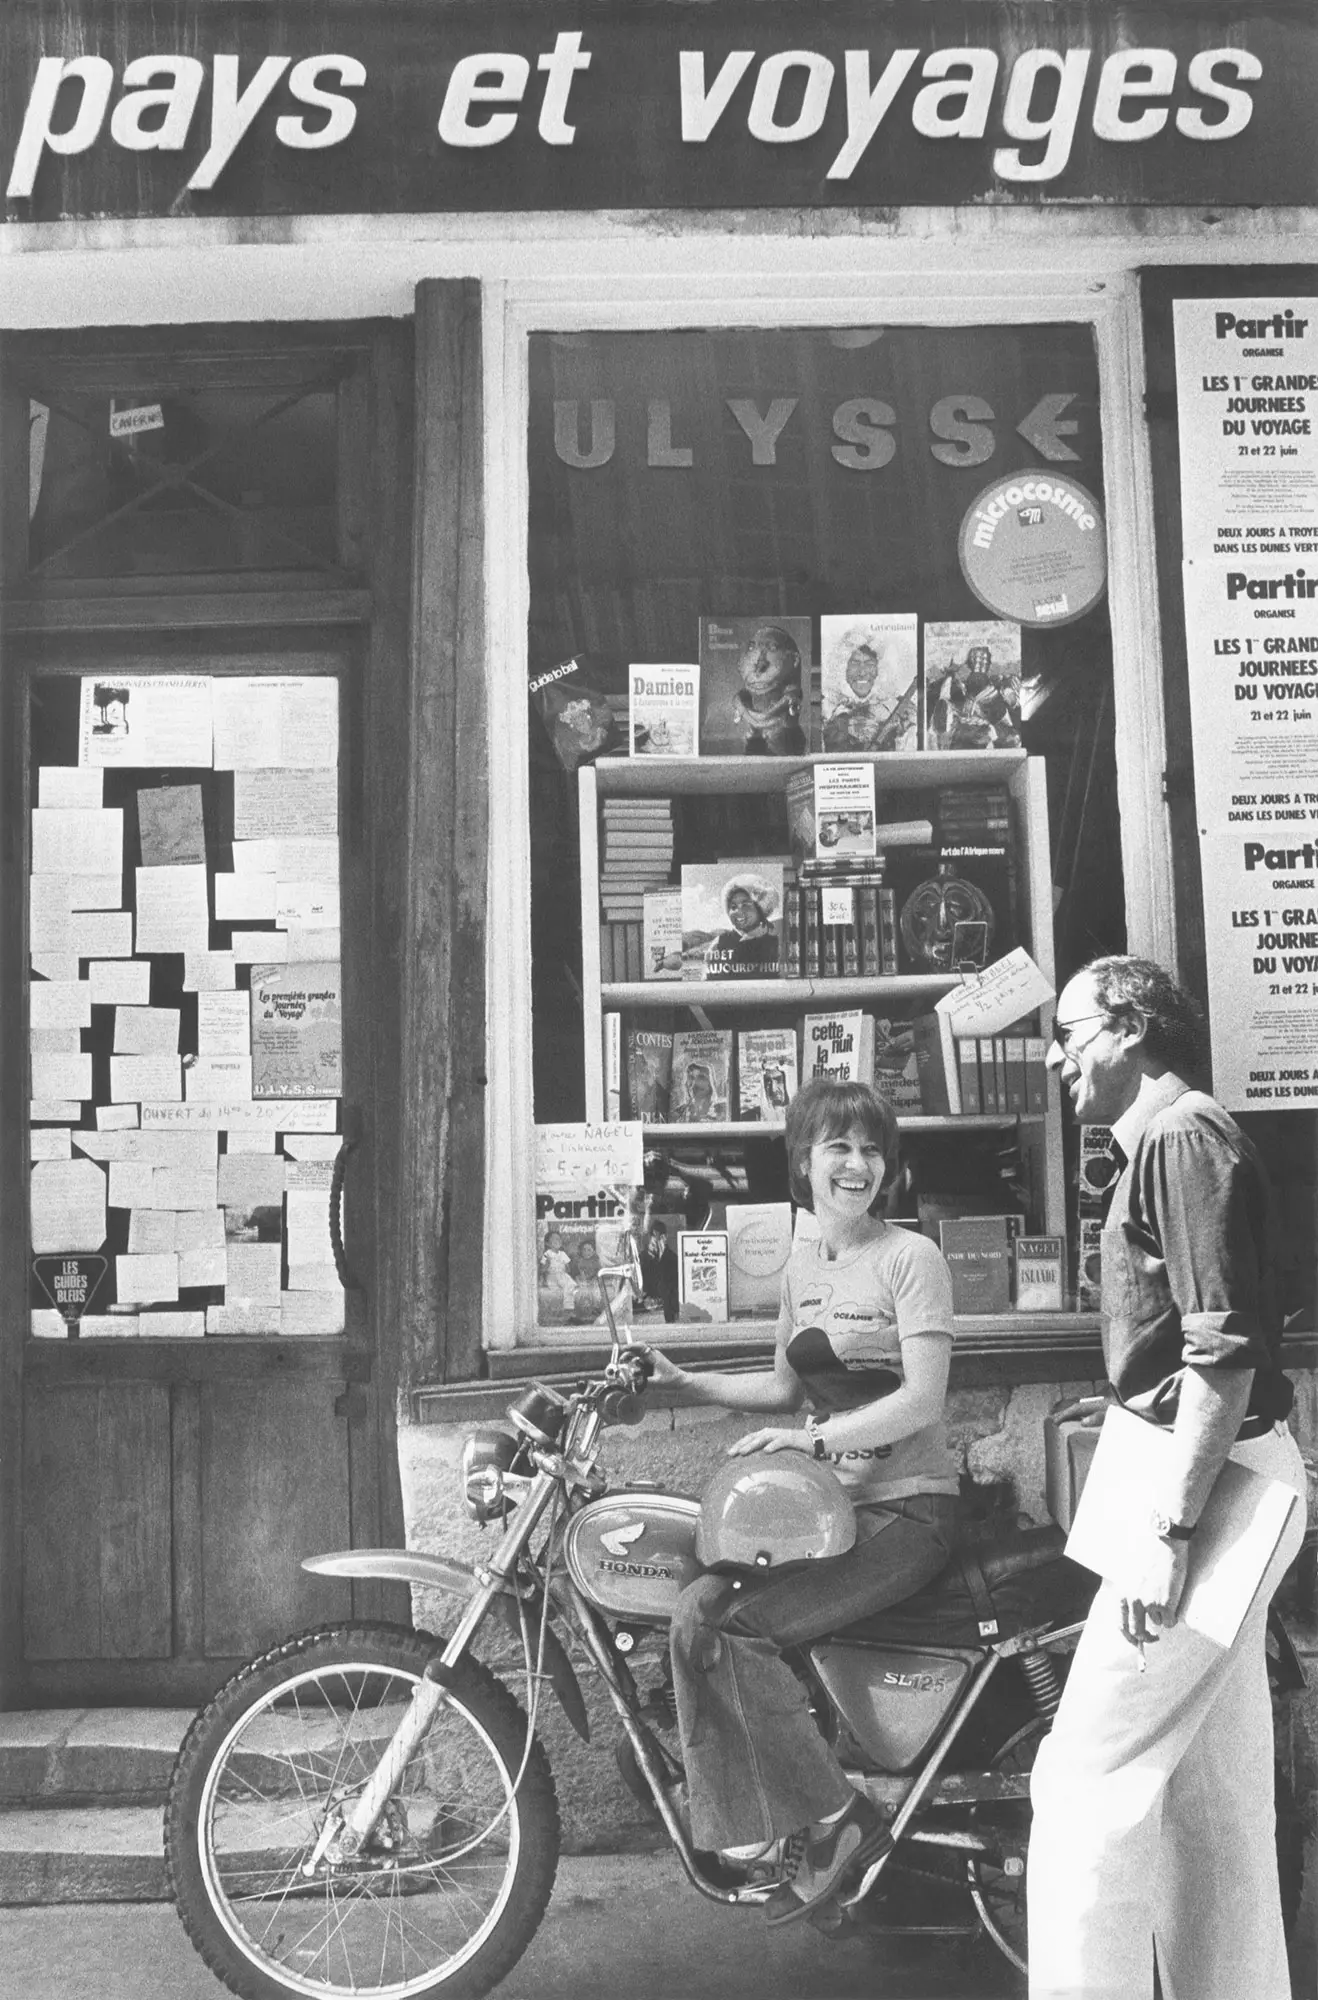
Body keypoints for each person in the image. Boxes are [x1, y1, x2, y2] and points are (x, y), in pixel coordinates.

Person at [1028, 955, 1306, 2000]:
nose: (1056, 1053)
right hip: (1224, 1474)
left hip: (1210, 1484)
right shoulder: (1165, 1141)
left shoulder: (1180, 1138)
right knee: (1211, 1796)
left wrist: (1168, 1529)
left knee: (1084, 1782)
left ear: (1132, 1027)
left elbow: (1220, 1355)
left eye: (1070, 1030)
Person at [646, 1078, 959, 1926]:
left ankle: (837, 1819)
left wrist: (815, 1443)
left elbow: (923, 1400)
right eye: (838, 1148)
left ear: (887, 1169)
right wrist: (686, 1380)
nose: (857, 1165)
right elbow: (786, 1388)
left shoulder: (911, 1259)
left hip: (908, 1511)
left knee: (740, 1628)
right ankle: (748, 1832)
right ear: (804, 1163)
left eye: (871, 1150)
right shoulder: (802, 1264)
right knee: (698, 1612)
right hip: (832, 1515)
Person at [730, 624, 806, 755]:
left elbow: (791, 697)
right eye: (752, 648)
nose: (759, 665)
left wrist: (761, 717)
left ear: (794, 660)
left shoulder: (790, 695)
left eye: (772, 648)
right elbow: (739, 698)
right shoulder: (746, 693)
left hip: (782, 747)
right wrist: (749, 713)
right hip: (755, 746)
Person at [705, 873, 781, 978]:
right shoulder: (718, 945)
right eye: (733, 906)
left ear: (760, 910)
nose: (738, 911)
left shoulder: (776, 945)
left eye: (746, 905)